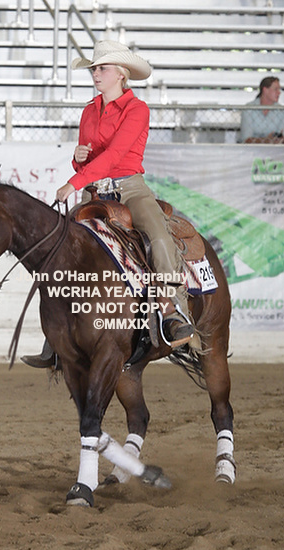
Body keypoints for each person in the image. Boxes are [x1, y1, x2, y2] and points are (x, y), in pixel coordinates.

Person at [22, 40, 198, 368]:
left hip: (130, 188)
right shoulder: (89, 110)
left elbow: (116, 155)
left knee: (159, 238)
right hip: (95, 192)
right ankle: (59, 330)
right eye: (94, 69)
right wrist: (78, 160)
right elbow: (88, 156)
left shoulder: (137, 109)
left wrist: (74, 182)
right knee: (62, 247)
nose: (95, 74)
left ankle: (173, 311)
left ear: (121, 74)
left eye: (102, 68)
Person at [240, 76, 284, 144]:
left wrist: (280, 139)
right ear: (265, 90)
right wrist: (266, 140)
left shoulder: (281, 110)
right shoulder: (249, 108)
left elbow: (283, 138)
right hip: (251, 149)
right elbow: (246, 139)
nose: (279, 92)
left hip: (274, 149)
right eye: (276, 89)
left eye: (279, 89)